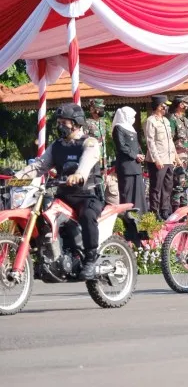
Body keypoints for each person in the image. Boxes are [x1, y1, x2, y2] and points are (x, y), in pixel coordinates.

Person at [15, 103, 103, 280]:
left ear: (76, 123)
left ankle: (91, 259)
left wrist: (79, 174)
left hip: (87, 196)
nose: (60, 125)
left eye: (65, 122)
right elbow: (40, 166)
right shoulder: (57, 146)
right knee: (41, 215)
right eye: (59, 122)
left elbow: (87, 161)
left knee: (87, 215)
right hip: (64, 196)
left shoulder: (89, 143)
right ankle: (47, 258)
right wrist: (16, 177)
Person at [144, 95, 182, 220]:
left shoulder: (166, 121)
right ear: (159, 106)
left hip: (169, 159)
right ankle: (154, 212)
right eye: (164, 105)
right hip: (158, 160)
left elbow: (170, 141)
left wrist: (176, 157)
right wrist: (156, 159)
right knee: (156, 188)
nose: (166, 107)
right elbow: (150, 142)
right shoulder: (151, 121)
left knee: (168, 186)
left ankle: (165, 210)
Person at [112, 106, 147, 213]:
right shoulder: (118, 128)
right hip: (126, 166)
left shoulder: (131, 128)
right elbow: (121, 146)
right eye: (131, 116)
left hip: (135, 166)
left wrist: (141, 154)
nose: (133, 118)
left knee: (138, 193)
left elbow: (136, 145)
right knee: (127, 193)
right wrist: (135, 155)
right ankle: (128, 217)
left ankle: (140, 216)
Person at [170, 95, 188, 167]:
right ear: (181, 105)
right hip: (178, 158)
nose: (187, 105)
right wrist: (176, 158)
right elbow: (170, 140)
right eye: (186, 103)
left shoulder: (186, 121)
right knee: (180, 178)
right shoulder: (172, 120)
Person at [85, 98, 109, 174]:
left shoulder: (103, 122)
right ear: (92, 109)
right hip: (92, 158)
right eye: (100, 108)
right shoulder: (87, 123)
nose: (102, 110)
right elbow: (84, 141)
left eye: (102, 108)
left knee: (102, 181)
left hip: (103, 158)